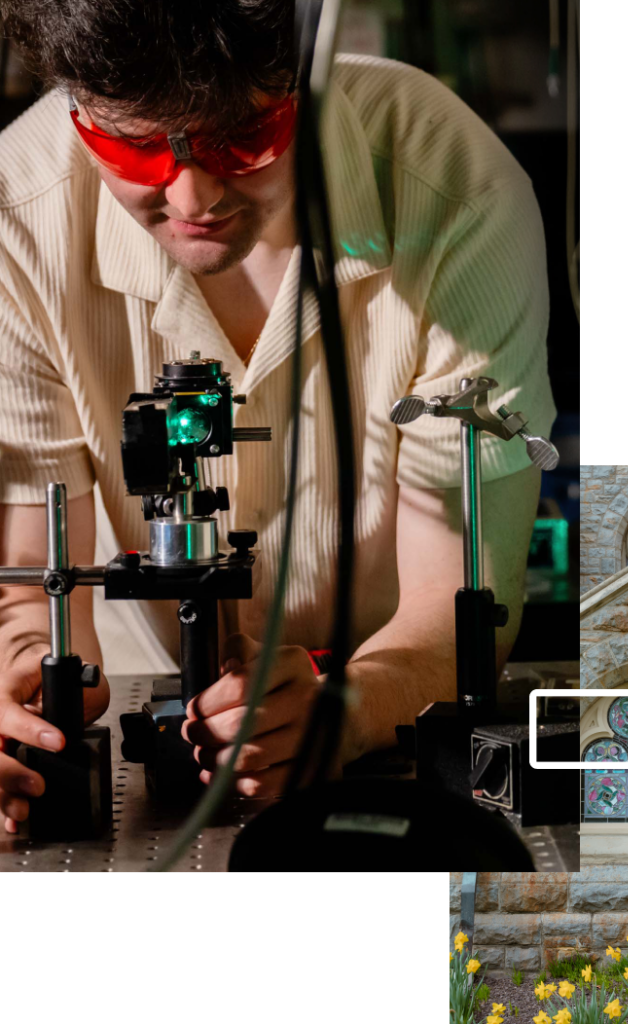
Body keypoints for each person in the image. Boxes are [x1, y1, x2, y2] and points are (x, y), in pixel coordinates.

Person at [0, 1, 556, 833]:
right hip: (151, 694)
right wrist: (25, 700)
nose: (194, 195)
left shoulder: (450, 184)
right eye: (138, 148)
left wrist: (351, 706)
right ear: (80, 110)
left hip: (389, 729)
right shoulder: (19, 210)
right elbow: (33, 582)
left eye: (243, 139)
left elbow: (458, 600)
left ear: (307, 74)